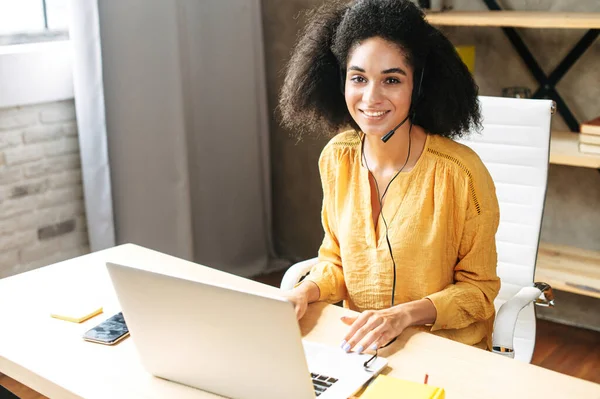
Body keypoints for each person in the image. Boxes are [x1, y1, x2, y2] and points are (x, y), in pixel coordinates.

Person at [278, 0, 500, 354]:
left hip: (444, 354)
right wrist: (305, 291)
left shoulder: (461, 173)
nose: (371, 97)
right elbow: (335, 262)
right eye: (358, 78)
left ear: (419, 85)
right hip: (362, 350)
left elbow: (479, 293)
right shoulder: (337, 158)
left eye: (392, 80)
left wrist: (404, 315)